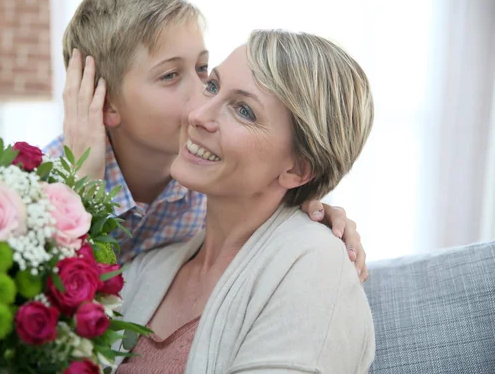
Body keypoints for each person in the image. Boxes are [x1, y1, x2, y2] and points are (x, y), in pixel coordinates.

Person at [43, 0, 368, 277]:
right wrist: (82, 188)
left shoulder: (210, 180)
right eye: (170, 75)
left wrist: (312, 215)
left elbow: (268, 196)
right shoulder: (41, 186)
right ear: (105, 104)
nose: (203, 94)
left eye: (203, 71)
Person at [116, 30, 375, 374]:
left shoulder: (318, 265)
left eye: (243, 111)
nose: (198, 115)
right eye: (212, 86)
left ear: (298, 168)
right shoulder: (151, 264)